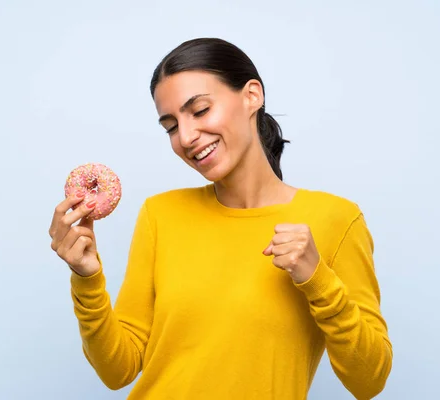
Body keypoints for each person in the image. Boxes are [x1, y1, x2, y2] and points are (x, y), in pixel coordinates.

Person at [49, 38, 392, 399]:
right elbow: (118, 370)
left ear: (251, 96)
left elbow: (369, 380)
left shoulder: (336, 220)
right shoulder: (161, 215)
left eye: (199, 111)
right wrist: (87, 278)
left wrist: (317, 279)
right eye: (170, 126)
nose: (186, 137)